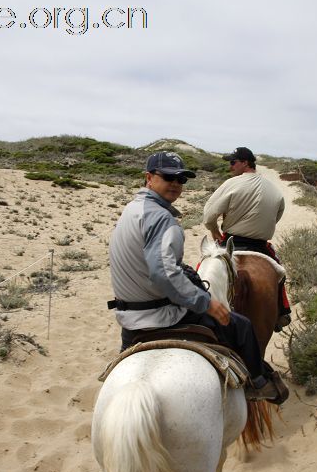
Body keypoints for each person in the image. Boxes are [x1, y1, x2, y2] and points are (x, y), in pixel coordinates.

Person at [108, 151, 287, 403]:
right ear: (149, 178)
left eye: (181, 179)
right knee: (243, 326)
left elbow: (207, 218)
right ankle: (258, 383)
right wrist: (208, 303)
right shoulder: (163, 219)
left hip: (129, 317)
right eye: (168, 177)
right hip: (162, 313)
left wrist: (212, 237)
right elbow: (163, 273)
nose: (176, 184)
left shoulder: (132, 210)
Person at [202, 146, 293, 331]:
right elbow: (277, 216)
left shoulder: (231, 183)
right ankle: (282, 311)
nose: (230, 166)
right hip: (260, 245)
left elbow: (208, 216)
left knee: (203, 268)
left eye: (233, 162)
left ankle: (195, 307)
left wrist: (214, 232)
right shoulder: (275, 191)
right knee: (279, 273)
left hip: (231, 241)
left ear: (245, 163)